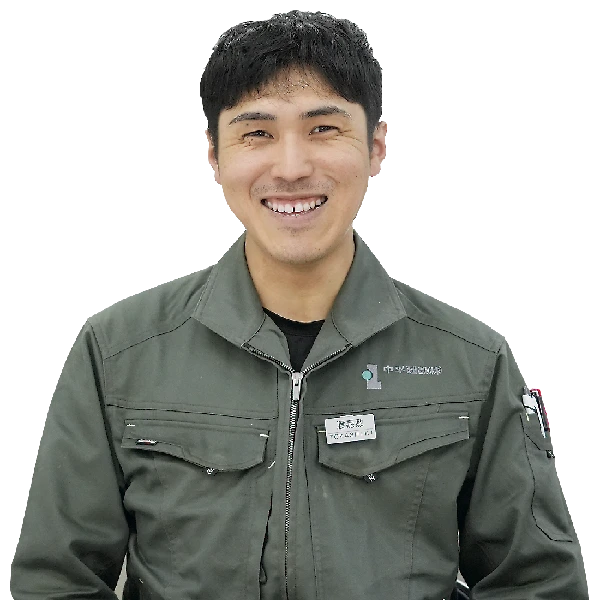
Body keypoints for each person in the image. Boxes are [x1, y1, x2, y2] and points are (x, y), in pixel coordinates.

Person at [11, 10, 588, 600]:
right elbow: (53, 582)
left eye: (323, 128)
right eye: (257, 133)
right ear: (214, 158)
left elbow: (539, 583)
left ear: (376, 147)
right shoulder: (116, 352)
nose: (291, 168)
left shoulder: (473, 361)